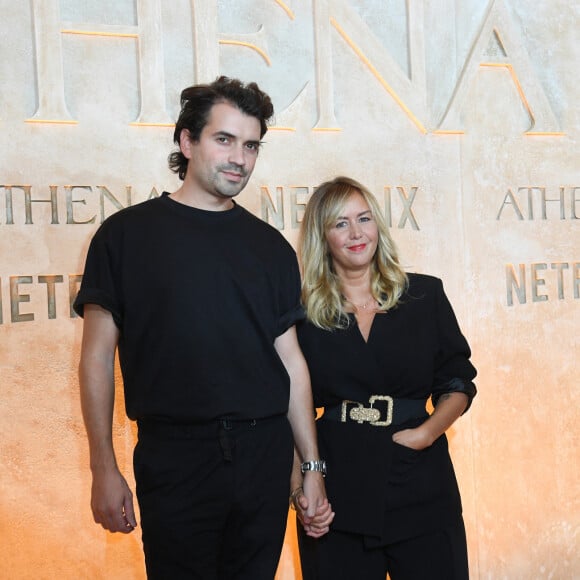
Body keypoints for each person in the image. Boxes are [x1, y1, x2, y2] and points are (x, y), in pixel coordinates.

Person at [74, 76, 332, 579]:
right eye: (224, 139)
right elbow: (96, 358)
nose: (240, 157)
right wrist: (102, 466)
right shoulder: (124, 236)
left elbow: (292, 363)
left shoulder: (271, 247)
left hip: (264, 453)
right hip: (175, 457)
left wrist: (310, 467)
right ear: (187, 141)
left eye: (251, 144)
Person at [290, 176, 477, 579]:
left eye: (364, 219)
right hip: (336, 491)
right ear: (322, 237)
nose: (356, 233)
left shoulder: (425, 295)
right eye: (340, 224)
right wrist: (302, 485)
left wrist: (426, 434)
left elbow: (458, 382)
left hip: (421, 483)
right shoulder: (300, 315)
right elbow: (289, 406)